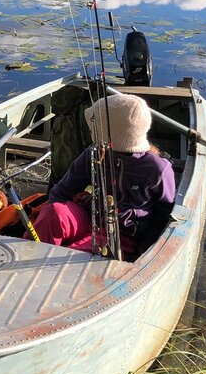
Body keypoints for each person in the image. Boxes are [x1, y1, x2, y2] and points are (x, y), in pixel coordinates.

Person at [29, 92, 176, 258]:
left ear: (111, 132)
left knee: (72, 257)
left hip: (123, 235)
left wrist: (143, 248)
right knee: (54, 213)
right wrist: (45, 217)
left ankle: (50, 265)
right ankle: (27, 257)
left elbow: (165, 215)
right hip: (90, 216)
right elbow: (61, 192)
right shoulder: (93, 153)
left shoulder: (158, 168)